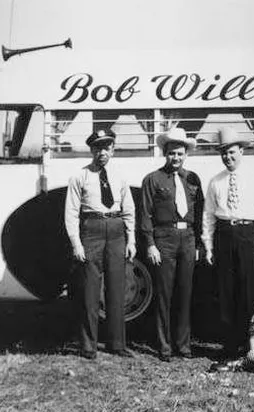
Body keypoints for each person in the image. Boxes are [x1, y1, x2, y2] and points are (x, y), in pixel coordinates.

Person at [64, 128, 135, 359]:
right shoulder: (80, 176)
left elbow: (129, 210)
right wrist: (76, 244)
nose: (102, 152)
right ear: (91, 150)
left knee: (117, 287)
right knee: (90, 290)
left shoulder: (121, 176)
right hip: (91, 230)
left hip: (116, 230)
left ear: (113, 149)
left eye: (106, 147)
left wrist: (131, 238)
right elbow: (71, 213)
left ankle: (117, 344)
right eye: (97, 148)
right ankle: (88, 345)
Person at [203, 128, 254, 357]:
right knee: (226, 289)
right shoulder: (215, 181)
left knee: (247, 289)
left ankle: (248, 341)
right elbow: (208, 216)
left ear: (241, 151)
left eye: (232, 152)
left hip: (248, 235)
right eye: (224, 153)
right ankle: (229, 343)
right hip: (224, 234)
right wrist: (209, 246)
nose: (228, 157)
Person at [140, 127, 204, 362]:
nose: (175, 158)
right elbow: (145, 214)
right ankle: (164, 346)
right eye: (171, 154)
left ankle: (183, 345)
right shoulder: (153, 179)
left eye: (180, 154)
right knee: (164, 293)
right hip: (164, 238)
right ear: (164, 154)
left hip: (187, 238)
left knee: (185, 293)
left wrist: (199, 243)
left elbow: (200, 211)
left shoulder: (193, 179)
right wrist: (150, 244)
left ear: (186, 154)